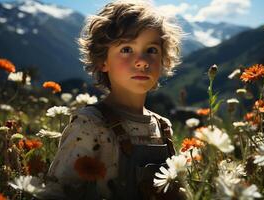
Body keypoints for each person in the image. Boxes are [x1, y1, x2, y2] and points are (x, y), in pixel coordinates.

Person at [48, 0, 183, 199]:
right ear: (103, 61)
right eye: (126, 49)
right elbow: (57, 192)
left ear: (163, 60)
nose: (142, 61)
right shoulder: (90, 125)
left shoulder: (163, 127)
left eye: (152, 50)